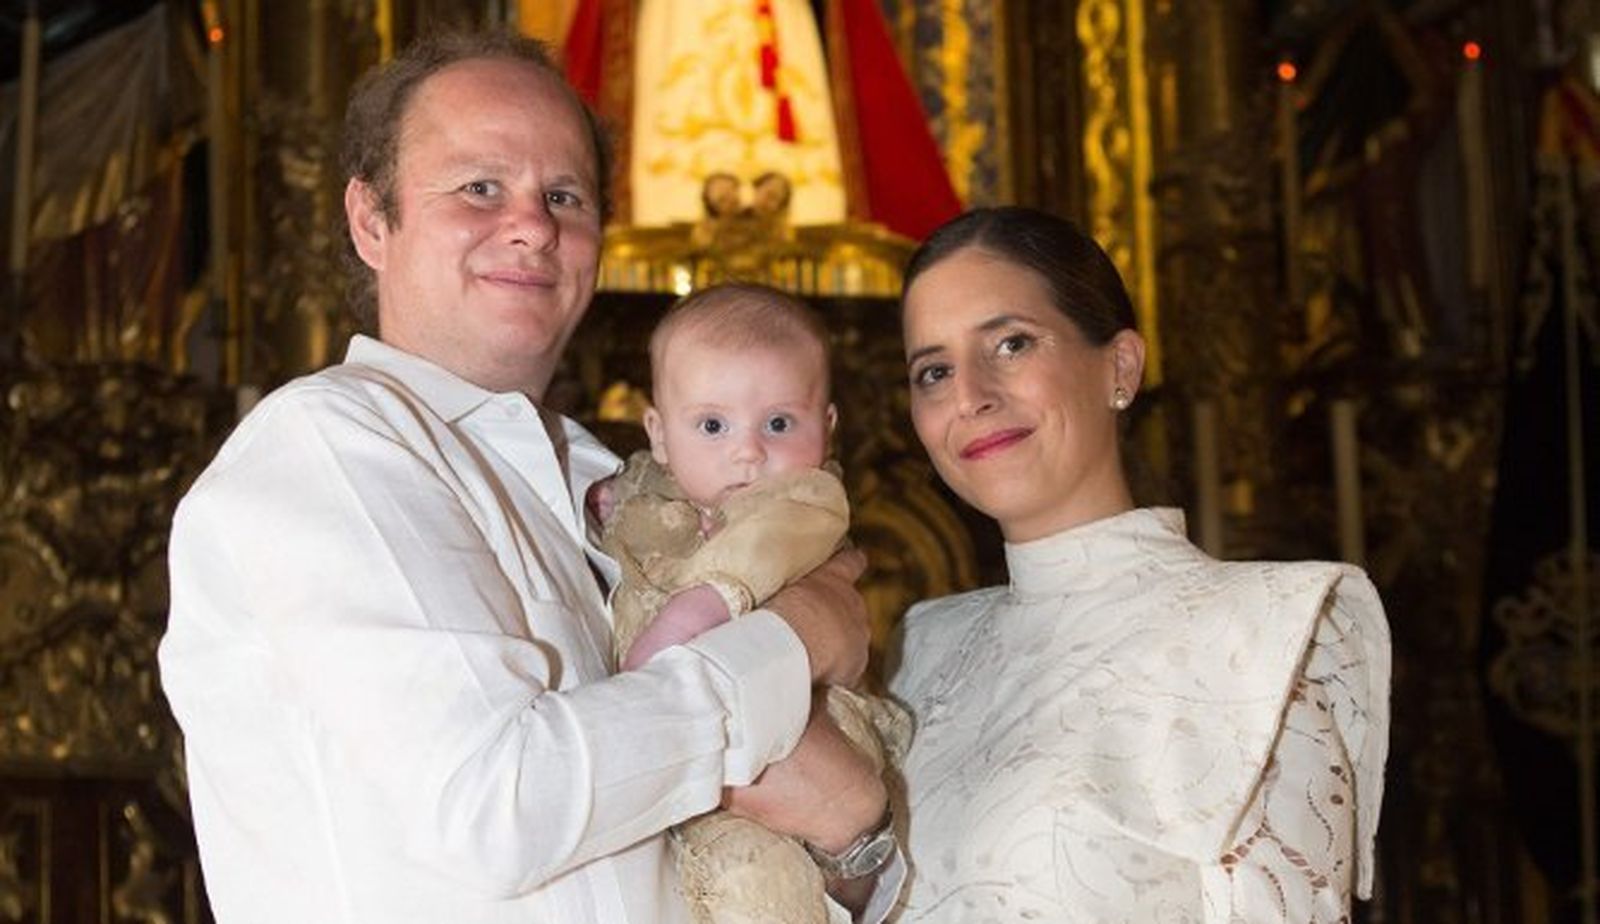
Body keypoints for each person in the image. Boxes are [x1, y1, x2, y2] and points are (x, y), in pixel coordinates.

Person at [158, 30, 894, 923]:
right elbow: (498, 809)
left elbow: (807, 834)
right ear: (370, 219)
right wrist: (794, 639)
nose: (533, 226)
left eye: (564, 195)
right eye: (479, 188)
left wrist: (854, 833)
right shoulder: (326, 448)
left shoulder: (627, 493)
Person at [886, 206, 1391, 921]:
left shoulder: (1259, 636)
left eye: (1010, 345)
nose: (969, 396)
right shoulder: (922, 647)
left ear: (1119, 366)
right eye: (933, 370)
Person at [598, 283, 910, 922]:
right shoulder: (655, 489)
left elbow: (751, 558)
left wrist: (690, 616)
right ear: (658, 434)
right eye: (712, 425)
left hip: (800, 734)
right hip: (695, 768)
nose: (748, 451)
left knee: (753, 879)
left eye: (778, 423)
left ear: (825, 428)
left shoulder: (803, 503)